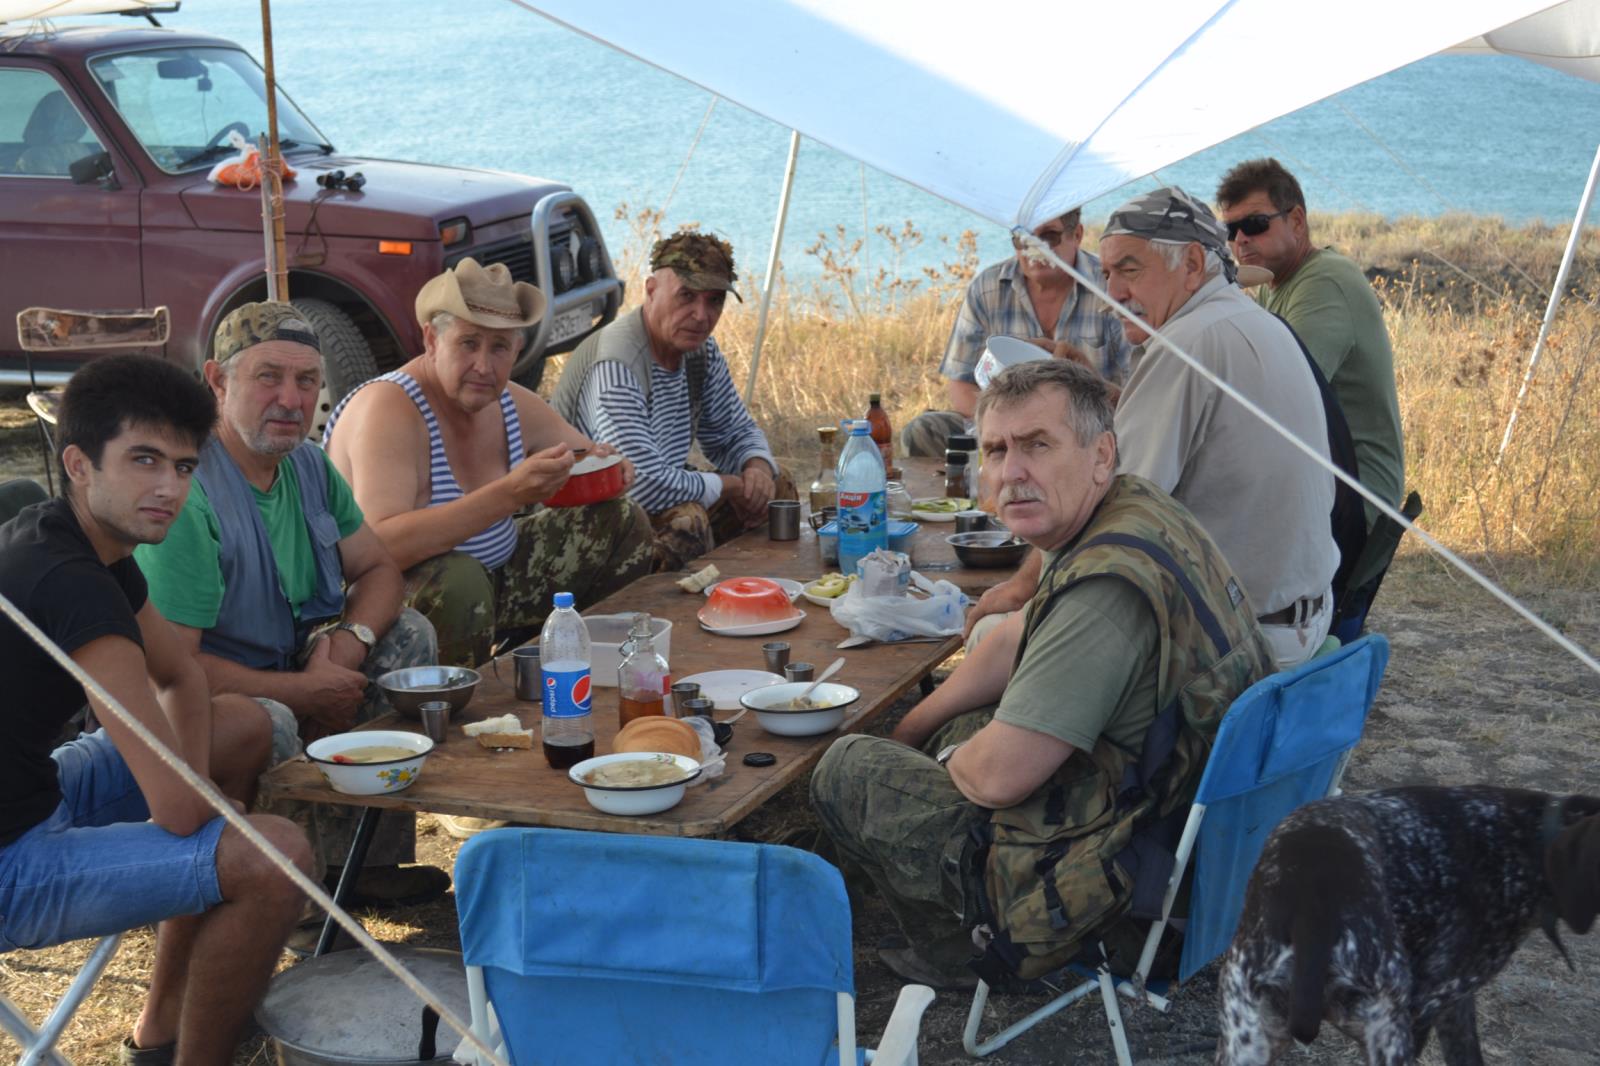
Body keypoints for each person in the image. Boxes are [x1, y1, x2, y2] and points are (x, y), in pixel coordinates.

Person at [812, 360, 1273, 990]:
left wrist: (938, 757)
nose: (1012, 472)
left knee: (848, 766)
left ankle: (962, 945)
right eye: (997, 450)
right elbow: (1012, 641)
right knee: (956, 721)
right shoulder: (1131, 512)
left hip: (1127, 895)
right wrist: (913, 728)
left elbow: (999, 777)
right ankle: (852, 882)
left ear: (1100, 455)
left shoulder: (1105, 592)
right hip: (1183, 840)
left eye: (1037, 445)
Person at [0, 355, 311, 1064]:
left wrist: (198, 800)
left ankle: (165, 1020)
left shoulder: (85, 540)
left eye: (184, 466)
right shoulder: (72, 582)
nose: (169, 488)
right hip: (10, 864)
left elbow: (183, 676)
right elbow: (175, 810)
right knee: (276, 858)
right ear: (79, 464)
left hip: (36, 792)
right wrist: (205, 815)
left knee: (246, 724)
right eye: (144, 460)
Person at [134, 302, 446, 912]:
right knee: (270, 719)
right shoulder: (189, 494)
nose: (291, 400)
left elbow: (379, 570)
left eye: (307, 381)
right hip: (196, 704)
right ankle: (289, 896)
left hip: (296, 659)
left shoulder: (307, 464)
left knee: (408, 635)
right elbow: (171, 670)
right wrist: (305, 691)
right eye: (268, 377)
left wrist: (347, 646)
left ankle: (366, 863)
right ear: (218, 381)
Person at [965, 187, 1340, 669]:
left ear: (1191, 265)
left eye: (1129, 270)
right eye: (1106, 274)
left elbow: (1101, 503)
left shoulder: (1189, 343)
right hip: (1301, 617)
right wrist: (1095, 391)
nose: (1112, 296)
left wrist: (1021, 589)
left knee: (993, 635)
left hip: (1243, 642)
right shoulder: (1248, 319)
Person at [323, 257, 654, 669]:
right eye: (468, 343)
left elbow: (585, 457)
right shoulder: (389, 408)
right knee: (460, 580)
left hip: (494, 579)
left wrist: (611, 468)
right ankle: (453, 701)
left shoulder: (511, 402)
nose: (483, 366)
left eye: (499, 348)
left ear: (517, 350)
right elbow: (380, 547)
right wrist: (510, 494)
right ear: (431, 340)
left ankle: (584, 666)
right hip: (389, 605)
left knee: (622, 520)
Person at [550, 231, 795, 572]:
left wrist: (756, 469)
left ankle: (762, 589)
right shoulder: (616, 362)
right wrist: (731, 486)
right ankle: (667, 606)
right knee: (686, 522)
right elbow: (641, 485)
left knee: (777, 487)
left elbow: (734, 431)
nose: (701, 315)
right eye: (687, 296)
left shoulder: (700, 352)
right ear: (651, 290)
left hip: (651, 493)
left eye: (714, 301)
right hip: (588, 517)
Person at [1215, 158, 1404, 532]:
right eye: (1230, 230)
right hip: (1320, 477)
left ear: (1297, 221)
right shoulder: (1273, 283)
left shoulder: (1323, 283)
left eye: (1255, 224)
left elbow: (1276, 398)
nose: (1240, 240)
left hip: (1355, 494)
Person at [901, 209, 1132, 458]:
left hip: (1082, 434)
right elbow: (961, 383)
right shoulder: (987, 288)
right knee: (922, 431)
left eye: (1048, 237)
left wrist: (1090, 382)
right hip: (999, 429)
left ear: (1076, 235)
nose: (1033, 248)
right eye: (1022, 238)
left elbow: (1136, 399)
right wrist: (1006, 428)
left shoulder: (1111, 290)